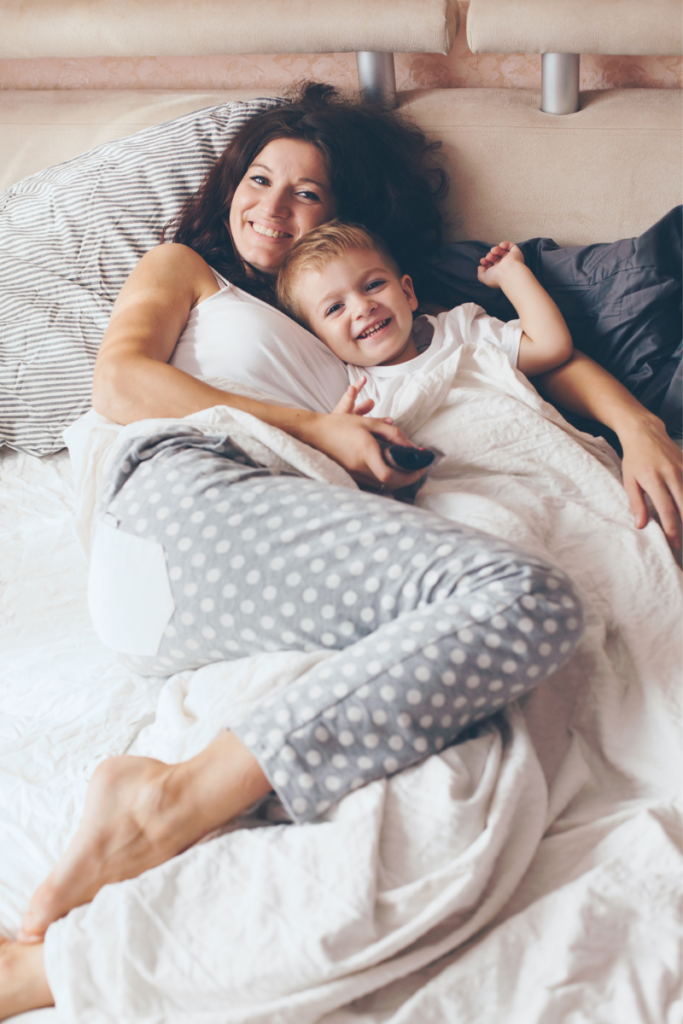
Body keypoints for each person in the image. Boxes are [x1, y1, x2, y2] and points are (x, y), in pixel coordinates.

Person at [1, 82, 679, 1019]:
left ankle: (108, 952)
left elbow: (519, 355)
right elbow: (119, 382)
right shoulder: (182, 269)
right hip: (188, 492)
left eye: (307, 192)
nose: (272, 206)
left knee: (465, 746)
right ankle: (169, 800)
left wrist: (638, 425)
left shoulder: (361, 309)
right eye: (259, 177)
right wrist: (314, 432)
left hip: (249, 553)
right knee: (525, 602)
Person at [275, 221, 573, 421]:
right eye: (335, 308)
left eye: (372, 285)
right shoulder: (355, 393)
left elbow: (550, 347)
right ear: (317, 339)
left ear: (407, 293)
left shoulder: (460, 329)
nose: (363, 308)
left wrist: (511, 274)